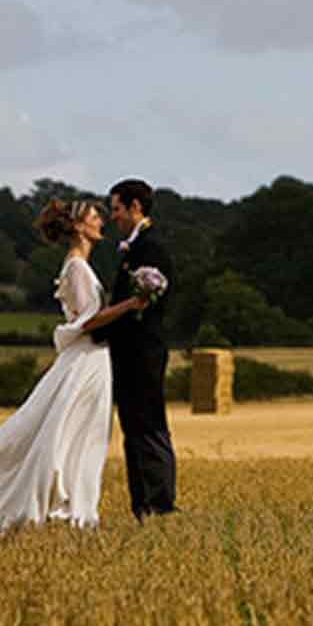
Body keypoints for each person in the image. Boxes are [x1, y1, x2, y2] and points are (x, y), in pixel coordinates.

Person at [0, 199, 146, 534]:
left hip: (92, 360)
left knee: (78, 434)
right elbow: (88, 322)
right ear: (79, 227)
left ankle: (72, 506)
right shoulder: (77, 267)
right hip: (86, 361)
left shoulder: (80, 266)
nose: (101, 223)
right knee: (72, 434)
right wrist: (132, 304)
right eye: (95, 218)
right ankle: (64, 507)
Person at [91, 177, 178, 520]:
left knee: (148, 425)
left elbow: (146, 303)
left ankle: (158, 503)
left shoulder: (150, 247)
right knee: (135, 426)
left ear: (135, 207)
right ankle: (143, 503)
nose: (112, 217)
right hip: (130, 351)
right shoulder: (137, 245)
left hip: (142, 351)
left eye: (116, 209)